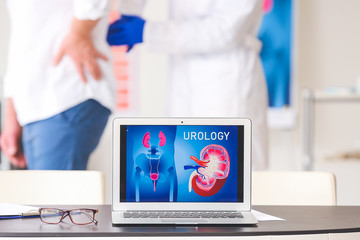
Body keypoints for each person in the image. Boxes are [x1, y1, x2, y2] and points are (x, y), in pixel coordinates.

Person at [107, 0, 268, 170]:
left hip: (226, 81)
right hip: (183, 77)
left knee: (229, 176)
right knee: (186, 173)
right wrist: (129, 11)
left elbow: (227, 30)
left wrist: (148, 32)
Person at [0, 0, 116, 170]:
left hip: (66, 94)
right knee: (38, 195)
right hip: (34, 108)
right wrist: (13, 113)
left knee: (51, 195)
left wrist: (79, 33)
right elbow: (22, 35)